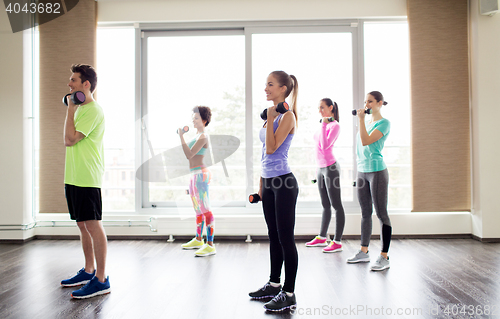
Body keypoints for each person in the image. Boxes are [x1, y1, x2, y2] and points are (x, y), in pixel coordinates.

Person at [248, 71, 299, 312]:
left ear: (283, 89)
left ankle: (288, 293)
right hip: (269, 183)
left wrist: (270, 116)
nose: (265, 88)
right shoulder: (271, 117)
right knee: (273, 235)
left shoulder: (287, 116)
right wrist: (260, 187)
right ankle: (274, 283)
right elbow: (263, 157)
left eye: (270, 85)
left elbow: (271, 148)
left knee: (286, 238)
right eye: (266, 84)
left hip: (284, 183)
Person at [61, 64, 110, 298]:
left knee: (93, 225)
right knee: (82, 224)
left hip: (87, 177)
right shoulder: (80, 109)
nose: (69, 84)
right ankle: (89, 270)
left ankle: (101, 280)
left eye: (73, 80)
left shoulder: (92, 110)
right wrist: (72, 109)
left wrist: (70, 109)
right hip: (73, 175)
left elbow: (69, 140)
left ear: (85, 84)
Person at [347, 91, 391, 271]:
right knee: (365, 212)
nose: (367, 105)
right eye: (366, 102)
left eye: (371, 102)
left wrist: (360, 120)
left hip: (377, 171)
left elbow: (365, 141)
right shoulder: (367, 122)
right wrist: (363, 120)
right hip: (362, 171)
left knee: (381, 213)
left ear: (380, 103)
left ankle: (384, 256)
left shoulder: (384, 123)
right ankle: (364, 252)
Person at [305, 98, 345, 253]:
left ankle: (337, 241)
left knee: (336, 205)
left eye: (322, 107)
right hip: (321, 168)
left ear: (331, 108)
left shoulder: (334, 126)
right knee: (325, 205)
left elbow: (324, 145)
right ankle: (322, 237)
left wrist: (323, 123)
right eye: (318, 108)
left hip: (331, 168)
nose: (320, 110)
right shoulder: (325, 125)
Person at [178, 106, 216, 257]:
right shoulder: (197, 135)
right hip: (194, 175)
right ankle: (199, 239)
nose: (193, 120)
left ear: (204, 121)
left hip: (201, 175)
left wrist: (181, 136)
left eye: (196, 118)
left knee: (205, 209)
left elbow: (189, 154)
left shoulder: (203, 137)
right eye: (193, 118)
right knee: (198, 209)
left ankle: (210, 245)